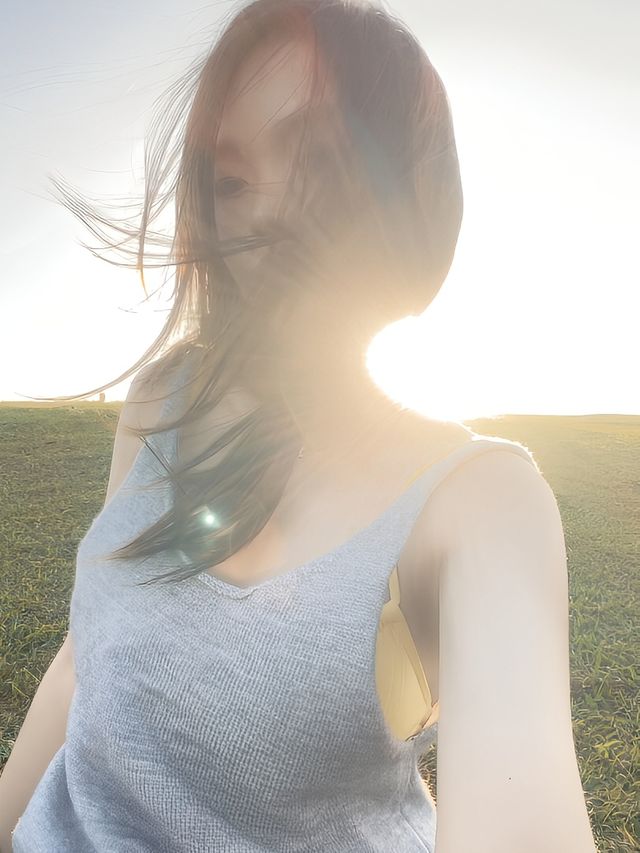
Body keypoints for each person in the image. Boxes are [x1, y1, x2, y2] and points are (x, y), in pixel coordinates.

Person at [1, 1, 598, 851]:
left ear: (412, 189)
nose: (258, 214)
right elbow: (83, 658)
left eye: (321, 158)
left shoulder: (480, 504)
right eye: (229, 181)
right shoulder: (163, 397)